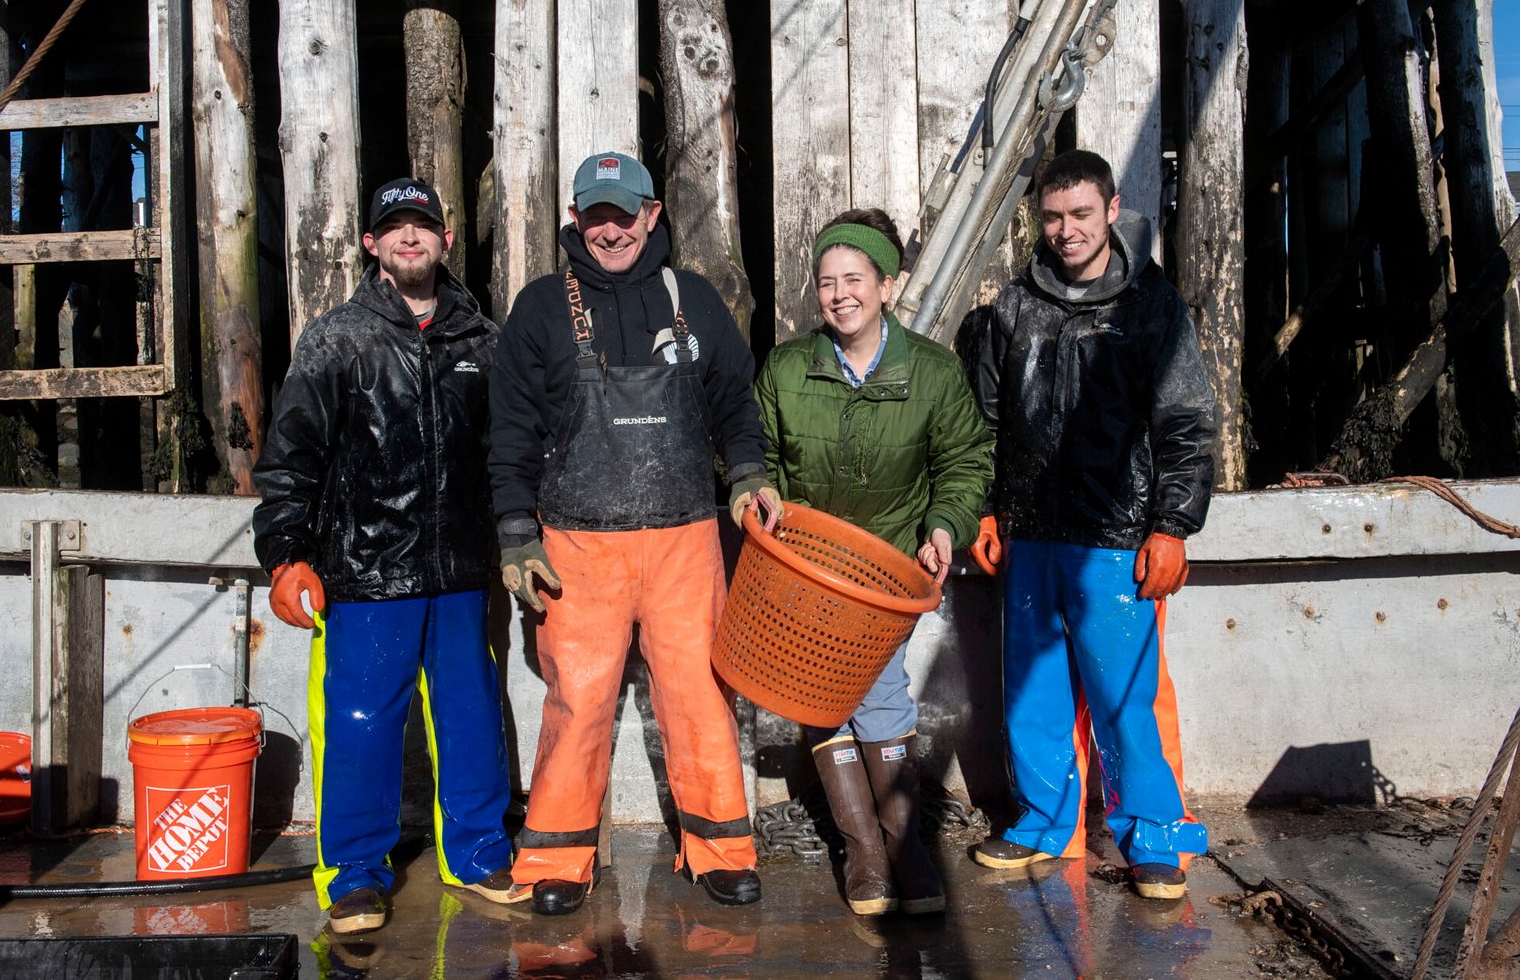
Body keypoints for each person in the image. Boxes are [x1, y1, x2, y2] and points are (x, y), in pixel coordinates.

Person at [489, 151, 774, 916]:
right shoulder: (543, 307)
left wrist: (747, 473)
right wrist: (517, 531)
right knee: (577, 701)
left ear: (653, 216)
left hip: (686, 540)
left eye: (625, 213)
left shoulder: (696, 301)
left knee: (700, 698)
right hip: (578, 548)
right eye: (596, 214)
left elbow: (736, 406)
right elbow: (510, 428)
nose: (610, 229)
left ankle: (719, 852)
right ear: (575, 221)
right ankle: (556, 859)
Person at [253, 177, 521, 935]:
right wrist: (285, 555)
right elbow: (289, 462)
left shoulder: (484, 341)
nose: (411, 237)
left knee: (471, 716)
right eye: (394, 226)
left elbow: (513, 454)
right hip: (365, 573)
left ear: (443, 239)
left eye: (423, 225)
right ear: (371, 243)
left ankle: (476, 855)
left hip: (463, 573)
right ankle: (355, 874)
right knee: (362, 723)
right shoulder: (337, 339)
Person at [964, 149, 1216, 900]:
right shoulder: (1013, 308)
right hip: (1032, 532)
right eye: (1051, 217)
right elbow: (984, 423)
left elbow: (1188, 423)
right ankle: (1044, 825)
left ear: (1111, 211)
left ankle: (1157, 841)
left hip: (1118, 538)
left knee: (1125, 698)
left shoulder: (1153, 307)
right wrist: (985, 506)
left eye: (1080, 214)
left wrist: (1171, 525)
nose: (1066, 230)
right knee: (1032, 693)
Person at [753, 208, 993, 916]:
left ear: (887, 285)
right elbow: (755, 453)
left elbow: (963, 460)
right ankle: (871, 850)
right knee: (823, 700)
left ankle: (898, 843)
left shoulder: (933, 371)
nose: (839, 294)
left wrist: (946, 524)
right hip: (806, 570)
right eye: (826, 282)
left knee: (876, 695)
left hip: (884, 573)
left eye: (854, 278)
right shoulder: (789, 367)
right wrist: (757, 491)